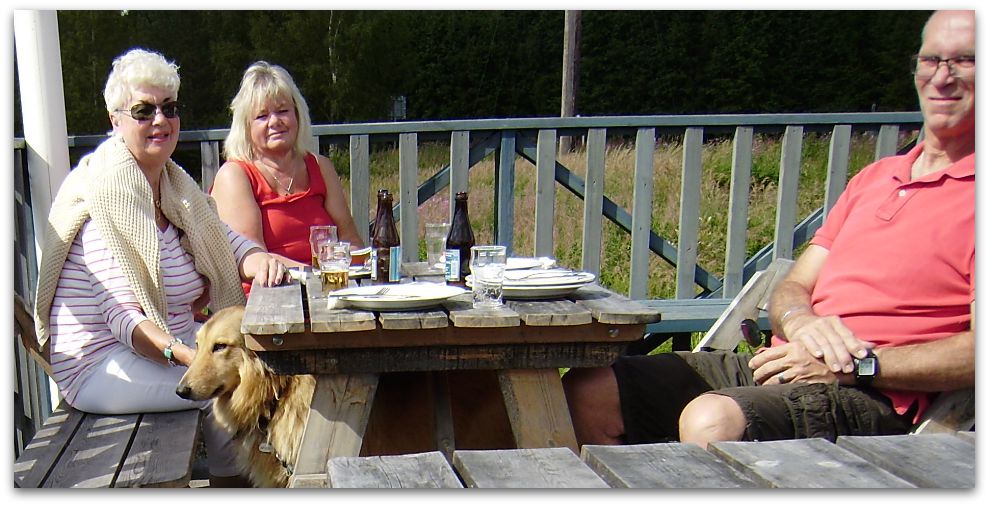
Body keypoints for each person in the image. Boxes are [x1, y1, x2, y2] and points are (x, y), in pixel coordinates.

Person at [563, 10, 974, 448]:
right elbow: (794, 285)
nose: (942, 77)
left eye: (965, 60)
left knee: (712, 421)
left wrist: (857, 365)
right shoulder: (875, 178)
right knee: (590, 389)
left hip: (879, 394)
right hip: (784, 361)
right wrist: (801, 322)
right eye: (931, 60)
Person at [34, 48, 289, 487]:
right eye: (143, 110)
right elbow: (123, 319)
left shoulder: (171, 183)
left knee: (258, 374)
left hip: (170, 343)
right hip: (99, 364)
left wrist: (258, 258)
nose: (160, 120)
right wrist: (189, 357)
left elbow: (222, 237)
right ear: (116, 120)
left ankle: (240, 485)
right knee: (229, 388)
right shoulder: (106, 196)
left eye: (169, 108)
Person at [210, 60, 364, 291]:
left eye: (283, 111)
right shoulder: (235, 176)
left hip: (328, 291)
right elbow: (253, 258)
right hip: (266, 298)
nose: (275, 122)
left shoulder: (321, 167)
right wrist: (318, 277)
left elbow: (351, 242)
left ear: (297, 115)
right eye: (262, 116)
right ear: (246, 127)